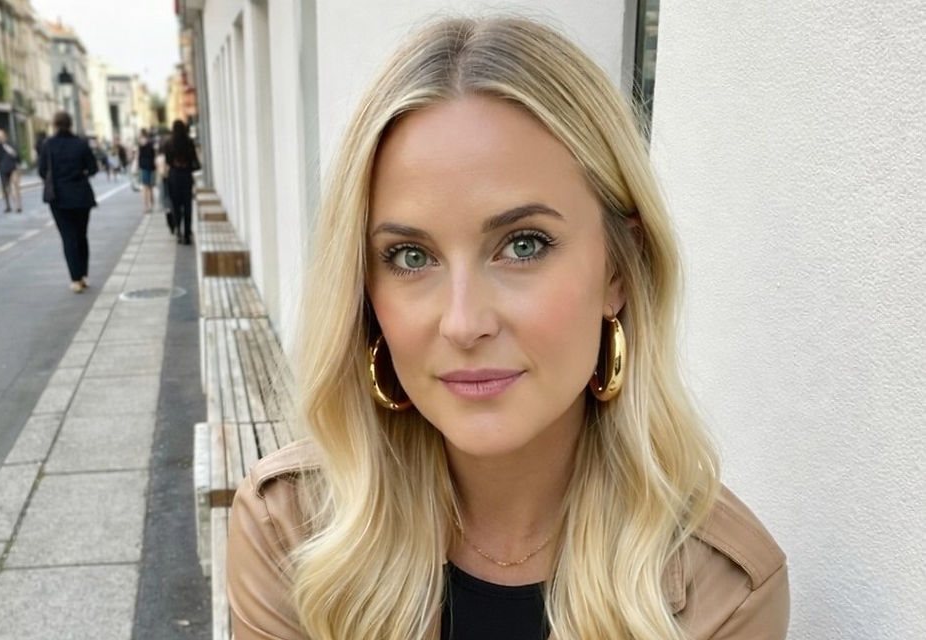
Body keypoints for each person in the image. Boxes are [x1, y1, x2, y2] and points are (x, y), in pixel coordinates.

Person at [226, 17, 790, 640]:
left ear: (618, 271)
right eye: (412, 257)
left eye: (523, 245)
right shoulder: (293, 531)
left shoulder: (721, 590)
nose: (464, 323)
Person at [38, 111, 99, 293]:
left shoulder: (48, 145)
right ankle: (84, 274)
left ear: (55, 125)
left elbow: (42, 171)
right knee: (81, 235)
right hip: (81, 195)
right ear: (70, 124)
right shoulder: (81, 144)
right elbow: (93, 168)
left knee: (68, 237)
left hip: (58, 197)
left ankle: (75, 278)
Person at [162, 119, 199, 245]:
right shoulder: (189, 142)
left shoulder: (168, 143)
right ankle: (187, 234)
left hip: (174, 176)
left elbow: (167, 161)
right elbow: (195, 161)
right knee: (187, 205)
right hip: (186, 176)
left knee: (176, 205)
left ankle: (178, 231)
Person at [0, 129, 22, 212]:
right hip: (2, 169)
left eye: (1, 136)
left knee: (15, 186)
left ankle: (18, 206)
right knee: (5, 188)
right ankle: (7, 206)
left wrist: (19, 168)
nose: (0, 138)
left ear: (5, 136)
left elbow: (17, 156)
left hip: (13, 168)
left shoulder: (11, 144)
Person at [137, 129, 156, 212]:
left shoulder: (141, 145)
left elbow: (138, 157)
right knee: (149, 187)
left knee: (146, 187)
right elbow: (154, 155)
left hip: (145, 167)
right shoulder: (151, 144)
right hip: (150, 167)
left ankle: (146, 206)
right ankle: (150, 205)